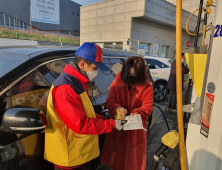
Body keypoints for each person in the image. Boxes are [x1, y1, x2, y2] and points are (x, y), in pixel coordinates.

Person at [44, 42, 124, 170]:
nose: (96, 72)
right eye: (95, 68)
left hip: (79, 153)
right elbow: (80, 124)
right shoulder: (66, 88)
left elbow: (85, 113)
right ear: (82, 64)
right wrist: (112, 125)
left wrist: (107, 119)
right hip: (69, 157)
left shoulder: (78, 82)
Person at [101, 56, 154, 170]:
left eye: (134, 75)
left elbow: (147, 108)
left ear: (139, 73)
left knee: (133, 164)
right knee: (116, 163)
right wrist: (117, 109)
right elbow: (110, 101)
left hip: (136, 132)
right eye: (129, 74)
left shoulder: (147, 87)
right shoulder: (117, 82)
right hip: (118, 131)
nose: (130, 77)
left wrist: (135, 113)